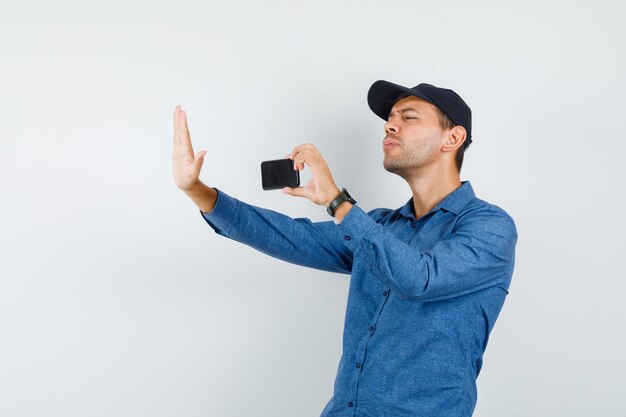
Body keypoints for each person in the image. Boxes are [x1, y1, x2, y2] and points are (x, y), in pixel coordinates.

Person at [172, 80, 517, 417]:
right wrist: (197, 191)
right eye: (389, 120)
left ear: (453, 138)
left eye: (408, 117)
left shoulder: (490, 227)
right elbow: (292, 236)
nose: (390, 127)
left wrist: (339, 203)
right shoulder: (381, 227)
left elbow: (420, 278)